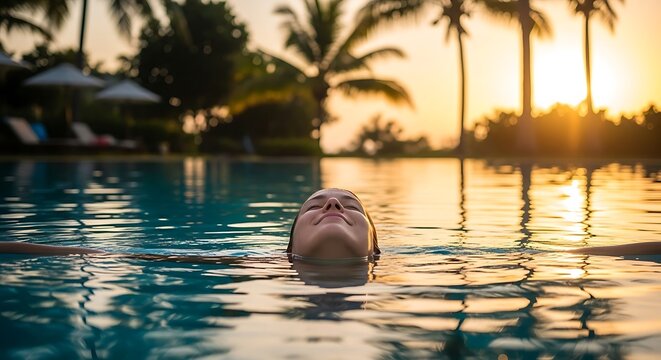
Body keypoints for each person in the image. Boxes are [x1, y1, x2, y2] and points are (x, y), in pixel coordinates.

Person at [0, 188, 659, 258]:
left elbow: (591, 250)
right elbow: (79, 249)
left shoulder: (425, 267)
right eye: (315, 205)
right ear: (287, 247)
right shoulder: (248, 267)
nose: (333, 206)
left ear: (375, 245)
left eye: (347, 204)